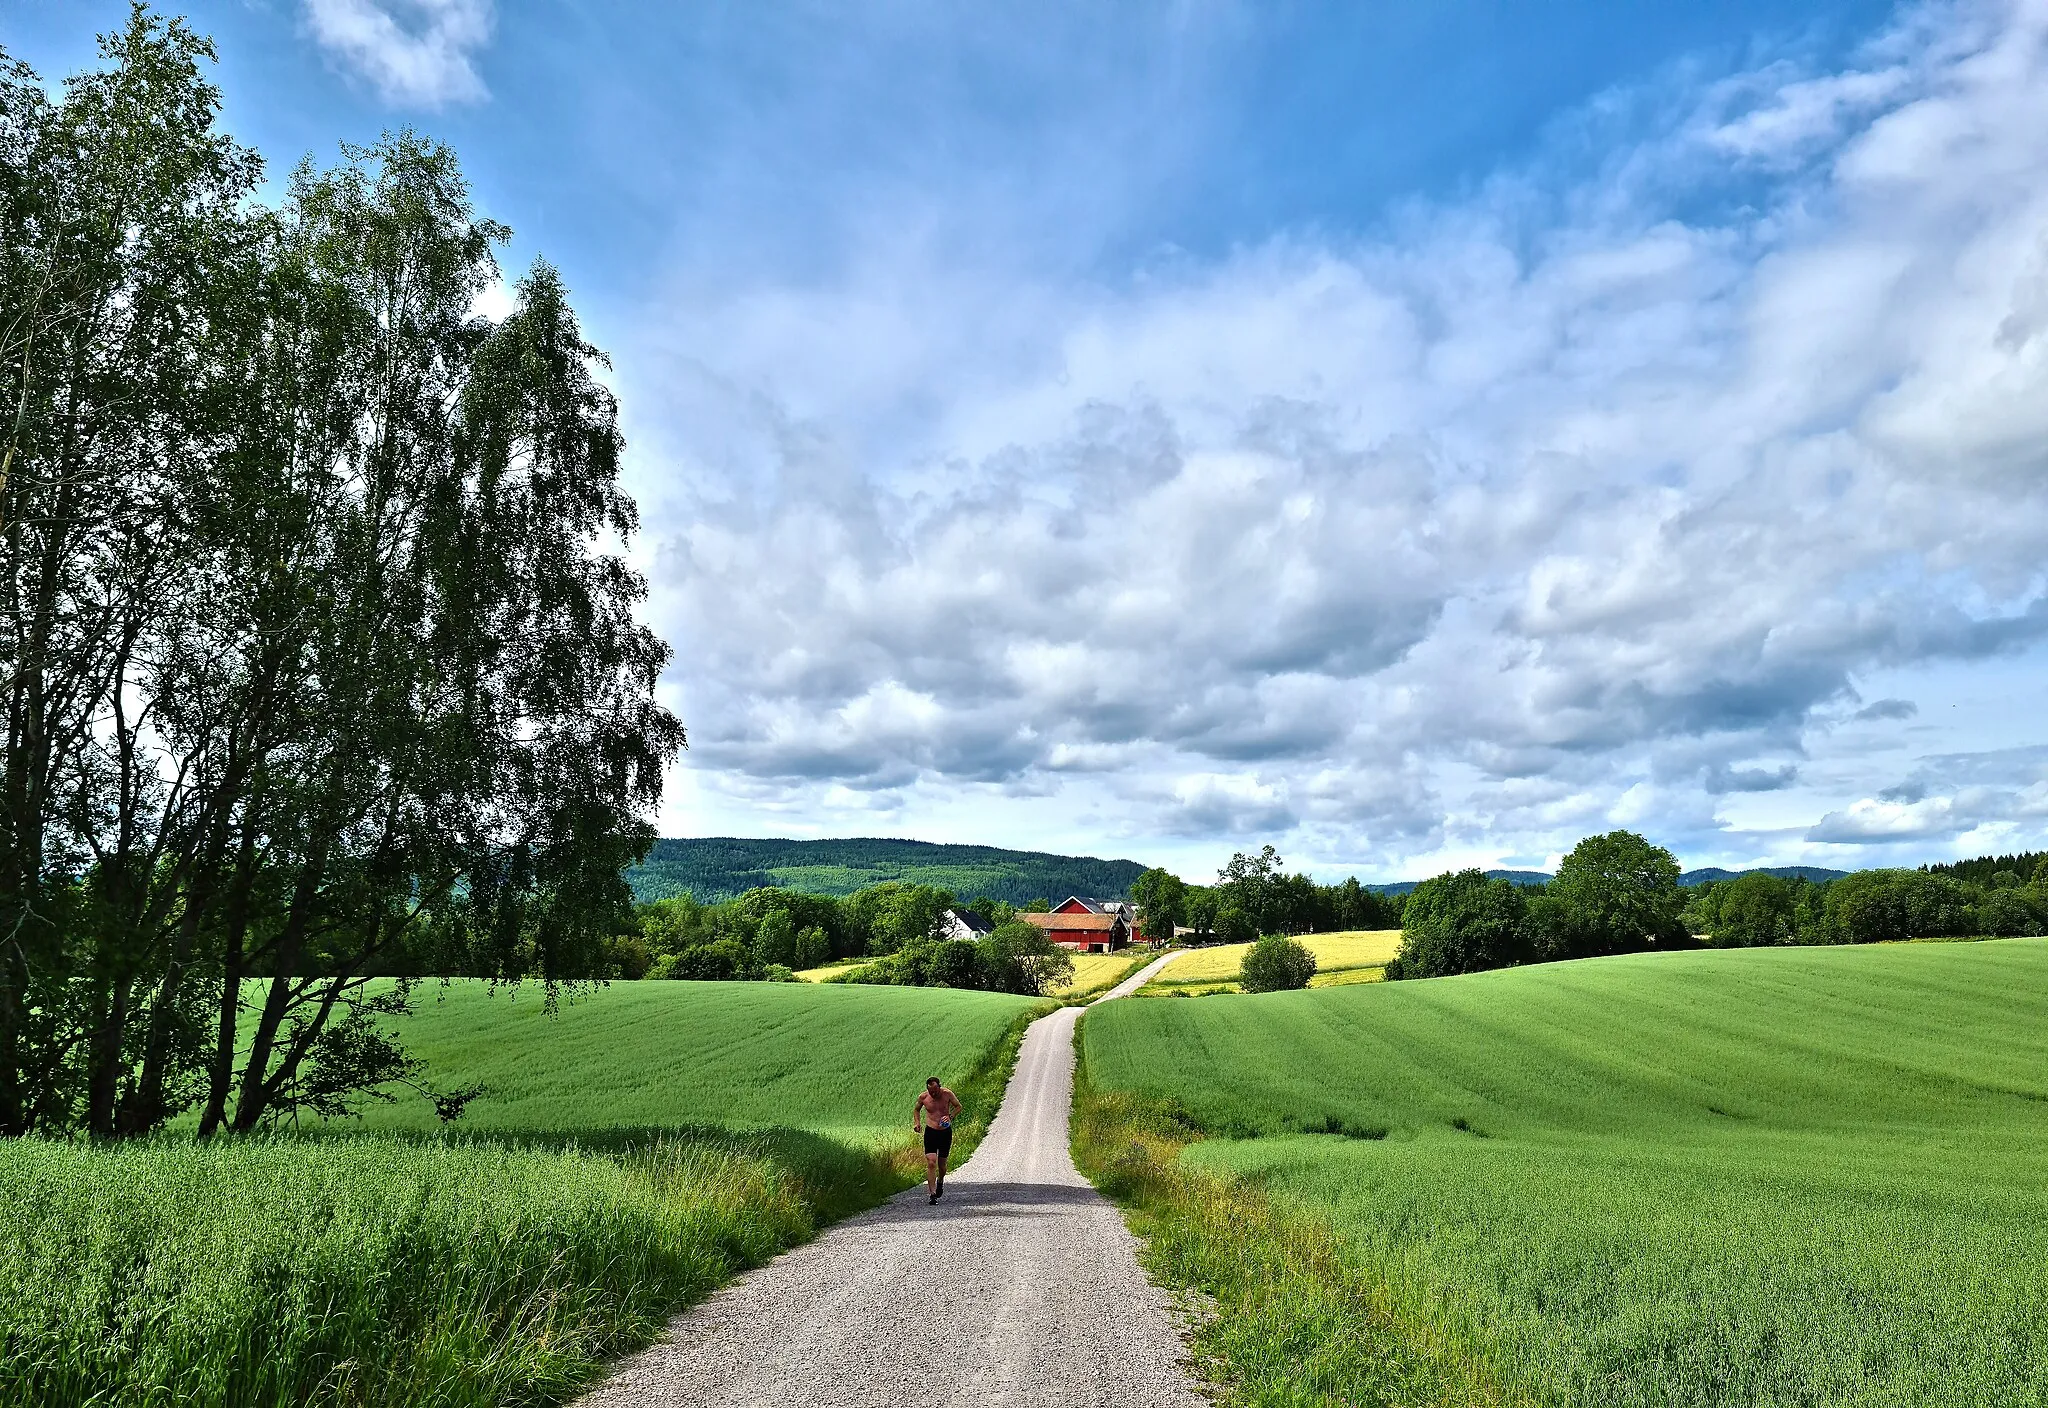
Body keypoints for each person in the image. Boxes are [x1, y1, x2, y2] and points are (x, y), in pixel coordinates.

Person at [913, 1076, 961, 1204]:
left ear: (939, 1086)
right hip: (930, 1132)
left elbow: (958, 1106)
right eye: (930, 1091)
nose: (933, 1094)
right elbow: (916, 1110)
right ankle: (932, 1194)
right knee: (931, 1162)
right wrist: (917, 1123)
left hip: (945, 1133)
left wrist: (950, 1116)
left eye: (935, 1091)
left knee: (942, 1166)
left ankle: (940, 1181)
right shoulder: (923, 1097)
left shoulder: (947, 1094)